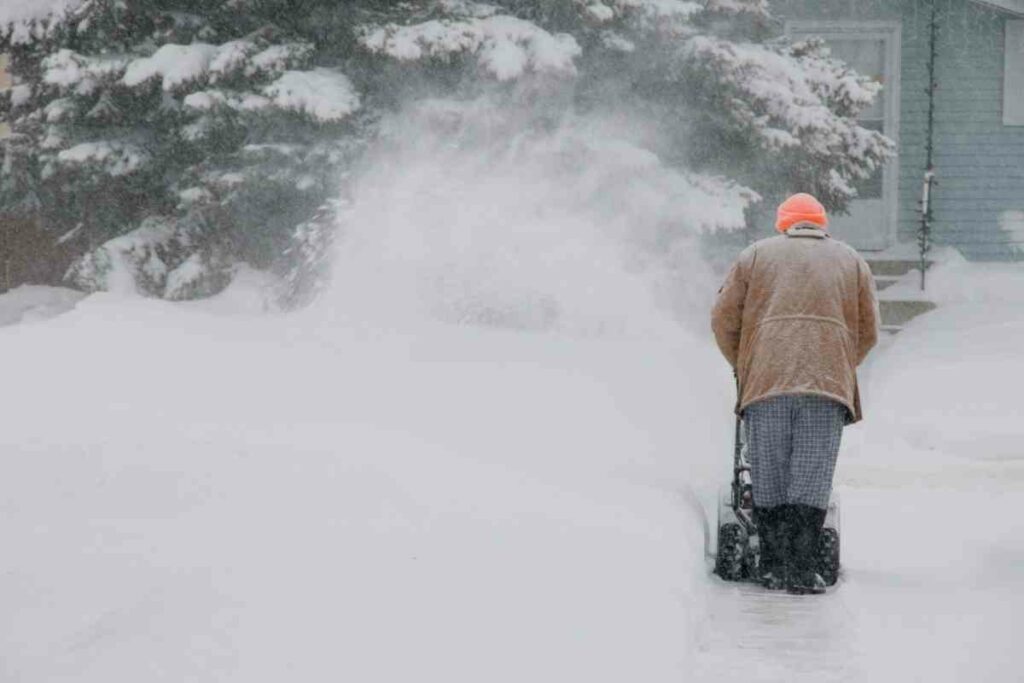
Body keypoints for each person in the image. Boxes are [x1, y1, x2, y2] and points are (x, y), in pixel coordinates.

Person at [710, 193, 880, 594]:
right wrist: (839, 361)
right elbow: (869, 330)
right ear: (822, 224)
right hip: (826, 385)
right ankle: (803, 570)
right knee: (811, 475)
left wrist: (744, 362)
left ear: (782, 224)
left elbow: (722, 319)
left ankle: (771, 566)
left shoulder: (754, 256)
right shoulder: (851, 260)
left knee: (767, 473)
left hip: (766, 384)